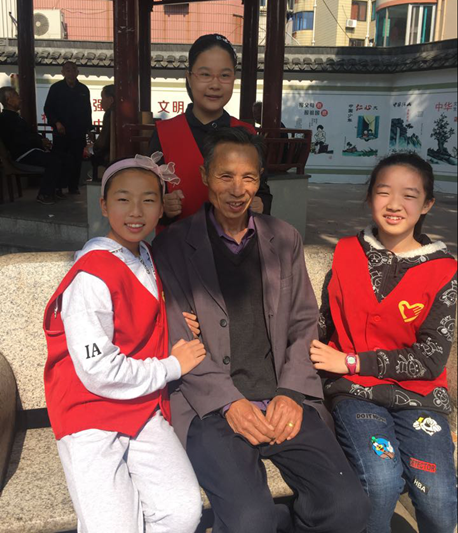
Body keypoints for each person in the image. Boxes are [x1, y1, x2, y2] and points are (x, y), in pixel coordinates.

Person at [152, 127, 370, 533]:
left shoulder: (283, 238)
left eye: (248, 177)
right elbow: (177, 336)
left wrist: (291, 392)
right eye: (225, 176)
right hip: (212, 406)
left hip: (282, 396)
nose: (237, 190)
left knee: (348, 507)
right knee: (251, 520)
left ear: (259, 181)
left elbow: (304, 322)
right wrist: (229, 402)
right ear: (204, 176)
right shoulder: (173, 245)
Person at [43, 154, 205, 533]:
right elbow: (98, 370)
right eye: (122, 199)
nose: (136, 211)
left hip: (141, 405)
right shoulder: (91, 275)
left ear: (162, 206)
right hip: (90, 414)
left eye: (148, 200)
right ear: (104, 205)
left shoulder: (144, 253)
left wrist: (175, 323)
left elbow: (140, 316)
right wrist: (173, 366)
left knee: (182, 512)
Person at [311, 153, 457, 533]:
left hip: (419, 397)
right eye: (383, 192)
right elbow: (323, 321)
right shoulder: (347, 252)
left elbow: (430, 358)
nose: (394, 204)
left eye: (409, 195)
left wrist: (353, 361)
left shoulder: (444, 271)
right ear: (369, 197)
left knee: (439, 500)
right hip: (356, 394)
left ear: (427, 204)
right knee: (381, 480)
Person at [148, 34, 272, 226]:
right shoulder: (164, 133)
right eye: (205, 75)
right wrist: (163, 207)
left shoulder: (247, 133)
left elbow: (262, 190)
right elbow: (147, 196)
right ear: (189, 77)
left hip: (234, 241)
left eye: (224, 76)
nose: (215, 85)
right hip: (176, 242)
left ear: (233, 78)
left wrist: (260, 204)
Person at [0, 86, 68, 204]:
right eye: (16, 96)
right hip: (22, 154)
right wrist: (40, 142)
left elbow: (30, 134)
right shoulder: (5, 119)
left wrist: (42, 140)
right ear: (8, 100)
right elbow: (19, 140)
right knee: (54, 161)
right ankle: (44, 194)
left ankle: (55, 189)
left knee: (64, 157)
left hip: (31, 150)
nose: (20, 99)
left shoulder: (16, 117)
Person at [44, 61, 92, 195]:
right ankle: (58, 187)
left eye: (73, 70)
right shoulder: (56, 88)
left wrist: (89, 129)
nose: (70, 73)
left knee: (77, 159)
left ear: (77, 72)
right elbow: (48, 108)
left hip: (78, 131)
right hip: (61, 131)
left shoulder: (83, 89)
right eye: (67, 70)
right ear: (63, 72)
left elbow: (87, 110)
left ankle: (73, 186)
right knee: (60, 159)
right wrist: (56, 123)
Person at [91, 84, 114, 181]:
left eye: (102, 98)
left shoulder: (109, 114)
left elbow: (103, 142)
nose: (101, 102)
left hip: (109, 155)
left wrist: (94, 147)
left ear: (111, 100)